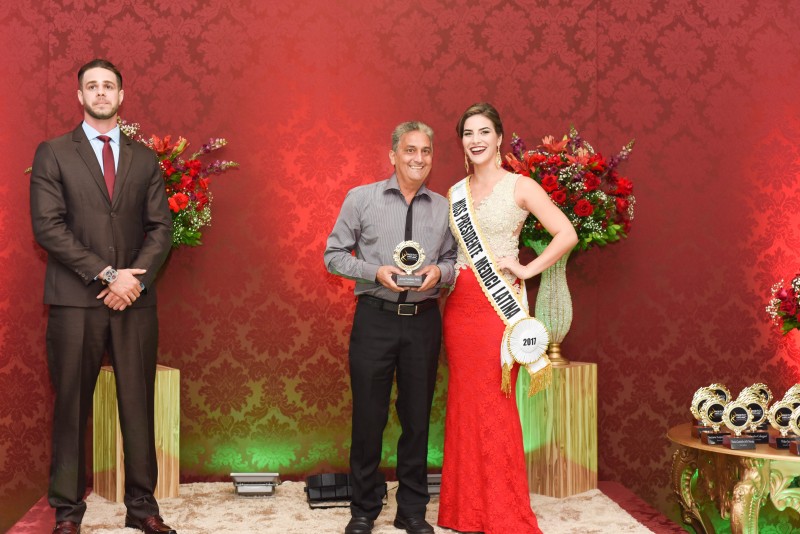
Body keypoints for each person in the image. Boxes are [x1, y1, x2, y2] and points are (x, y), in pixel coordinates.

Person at [29, 59, 176, 534]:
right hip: (75, 301)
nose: (99, 92)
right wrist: (109, 275)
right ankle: (68, 513)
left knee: (138, 403)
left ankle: (143, 507)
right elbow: (48, 227)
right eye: (91, 86)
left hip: (134, 301)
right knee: (71, 408)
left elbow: (161, 228)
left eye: (107, 85)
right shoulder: (54, 153)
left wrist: (133, 282)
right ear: (79, 96)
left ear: (121, 95)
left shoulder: (145, 159)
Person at [437, 103, 578, 534]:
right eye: (468, 133)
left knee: (495, 404)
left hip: (499, 311)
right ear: (461, 142)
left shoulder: (520, 186)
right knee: (463, 404)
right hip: (459, 308)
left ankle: (501, 511)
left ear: (499, 137)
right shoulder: (455, 193)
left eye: (484, 131)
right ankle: (464, 511)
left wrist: (528, 269)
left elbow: (566, 233)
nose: (475, 140)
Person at [324, 121, 457, 534]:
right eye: (410, 150)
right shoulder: (361, 198)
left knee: (417, 420)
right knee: (369, 418)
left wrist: (441, 272)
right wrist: (374, 271)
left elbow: (455, 260)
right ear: (393, 155)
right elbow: (333, 255)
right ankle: (364, 509)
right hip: (375, 320)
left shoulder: (446, 207)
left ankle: (411, 511)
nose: (418, 158)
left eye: (426, 151)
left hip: (423, 323)